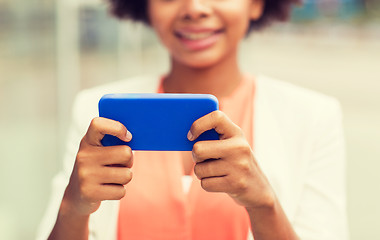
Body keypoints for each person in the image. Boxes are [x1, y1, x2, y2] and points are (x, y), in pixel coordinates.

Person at [37, 0, 349, 239]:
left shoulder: (313, 117)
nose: (195, 9)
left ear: (255, 3)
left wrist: (264, 204)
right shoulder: (92, 111)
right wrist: (74, 205)